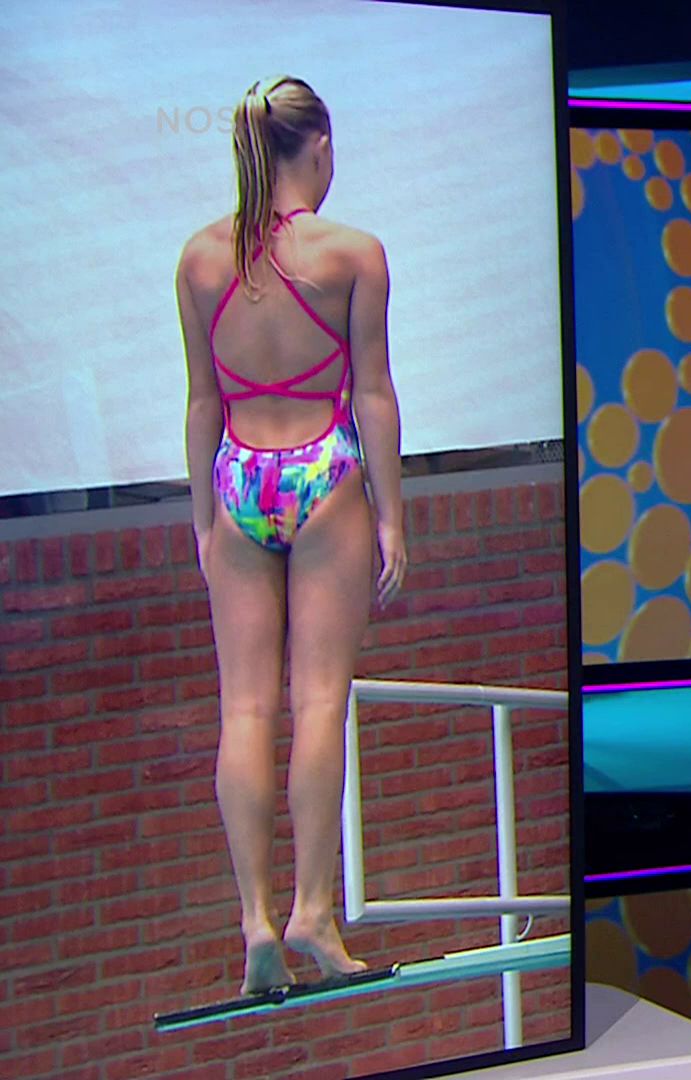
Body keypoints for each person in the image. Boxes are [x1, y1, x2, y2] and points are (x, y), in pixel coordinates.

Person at [174, 76, 406, 994]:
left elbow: (202, 401)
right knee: (317, 703)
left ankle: (254, 921)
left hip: (239, 475)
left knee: (243, 711)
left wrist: (204, 519)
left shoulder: (200, 258)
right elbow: (373, 393)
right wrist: (390, 515)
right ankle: (313, 910)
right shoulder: (353, 254)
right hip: (323, 474)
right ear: (320, 146)